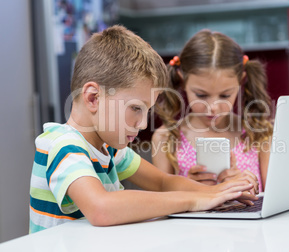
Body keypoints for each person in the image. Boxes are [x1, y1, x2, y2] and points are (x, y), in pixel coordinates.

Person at [29, 25, 257, 234]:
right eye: (135, 108)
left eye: (146, 111)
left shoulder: (109, 149)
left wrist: (220, 193)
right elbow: (101, 209)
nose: (143, 124)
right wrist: (194, 201)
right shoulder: (63, 145)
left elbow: (163, 183)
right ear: (93, 97)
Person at [152, 29, 273, 192]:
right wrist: (187, 189)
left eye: (225, 95)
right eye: (201, 95)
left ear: (240, 81)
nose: (213, 107)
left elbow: (273, 198)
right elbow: (162, 204)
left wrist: (251, 188)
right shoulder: (165, 138)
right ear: (182, 81)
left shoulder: (260, 133)